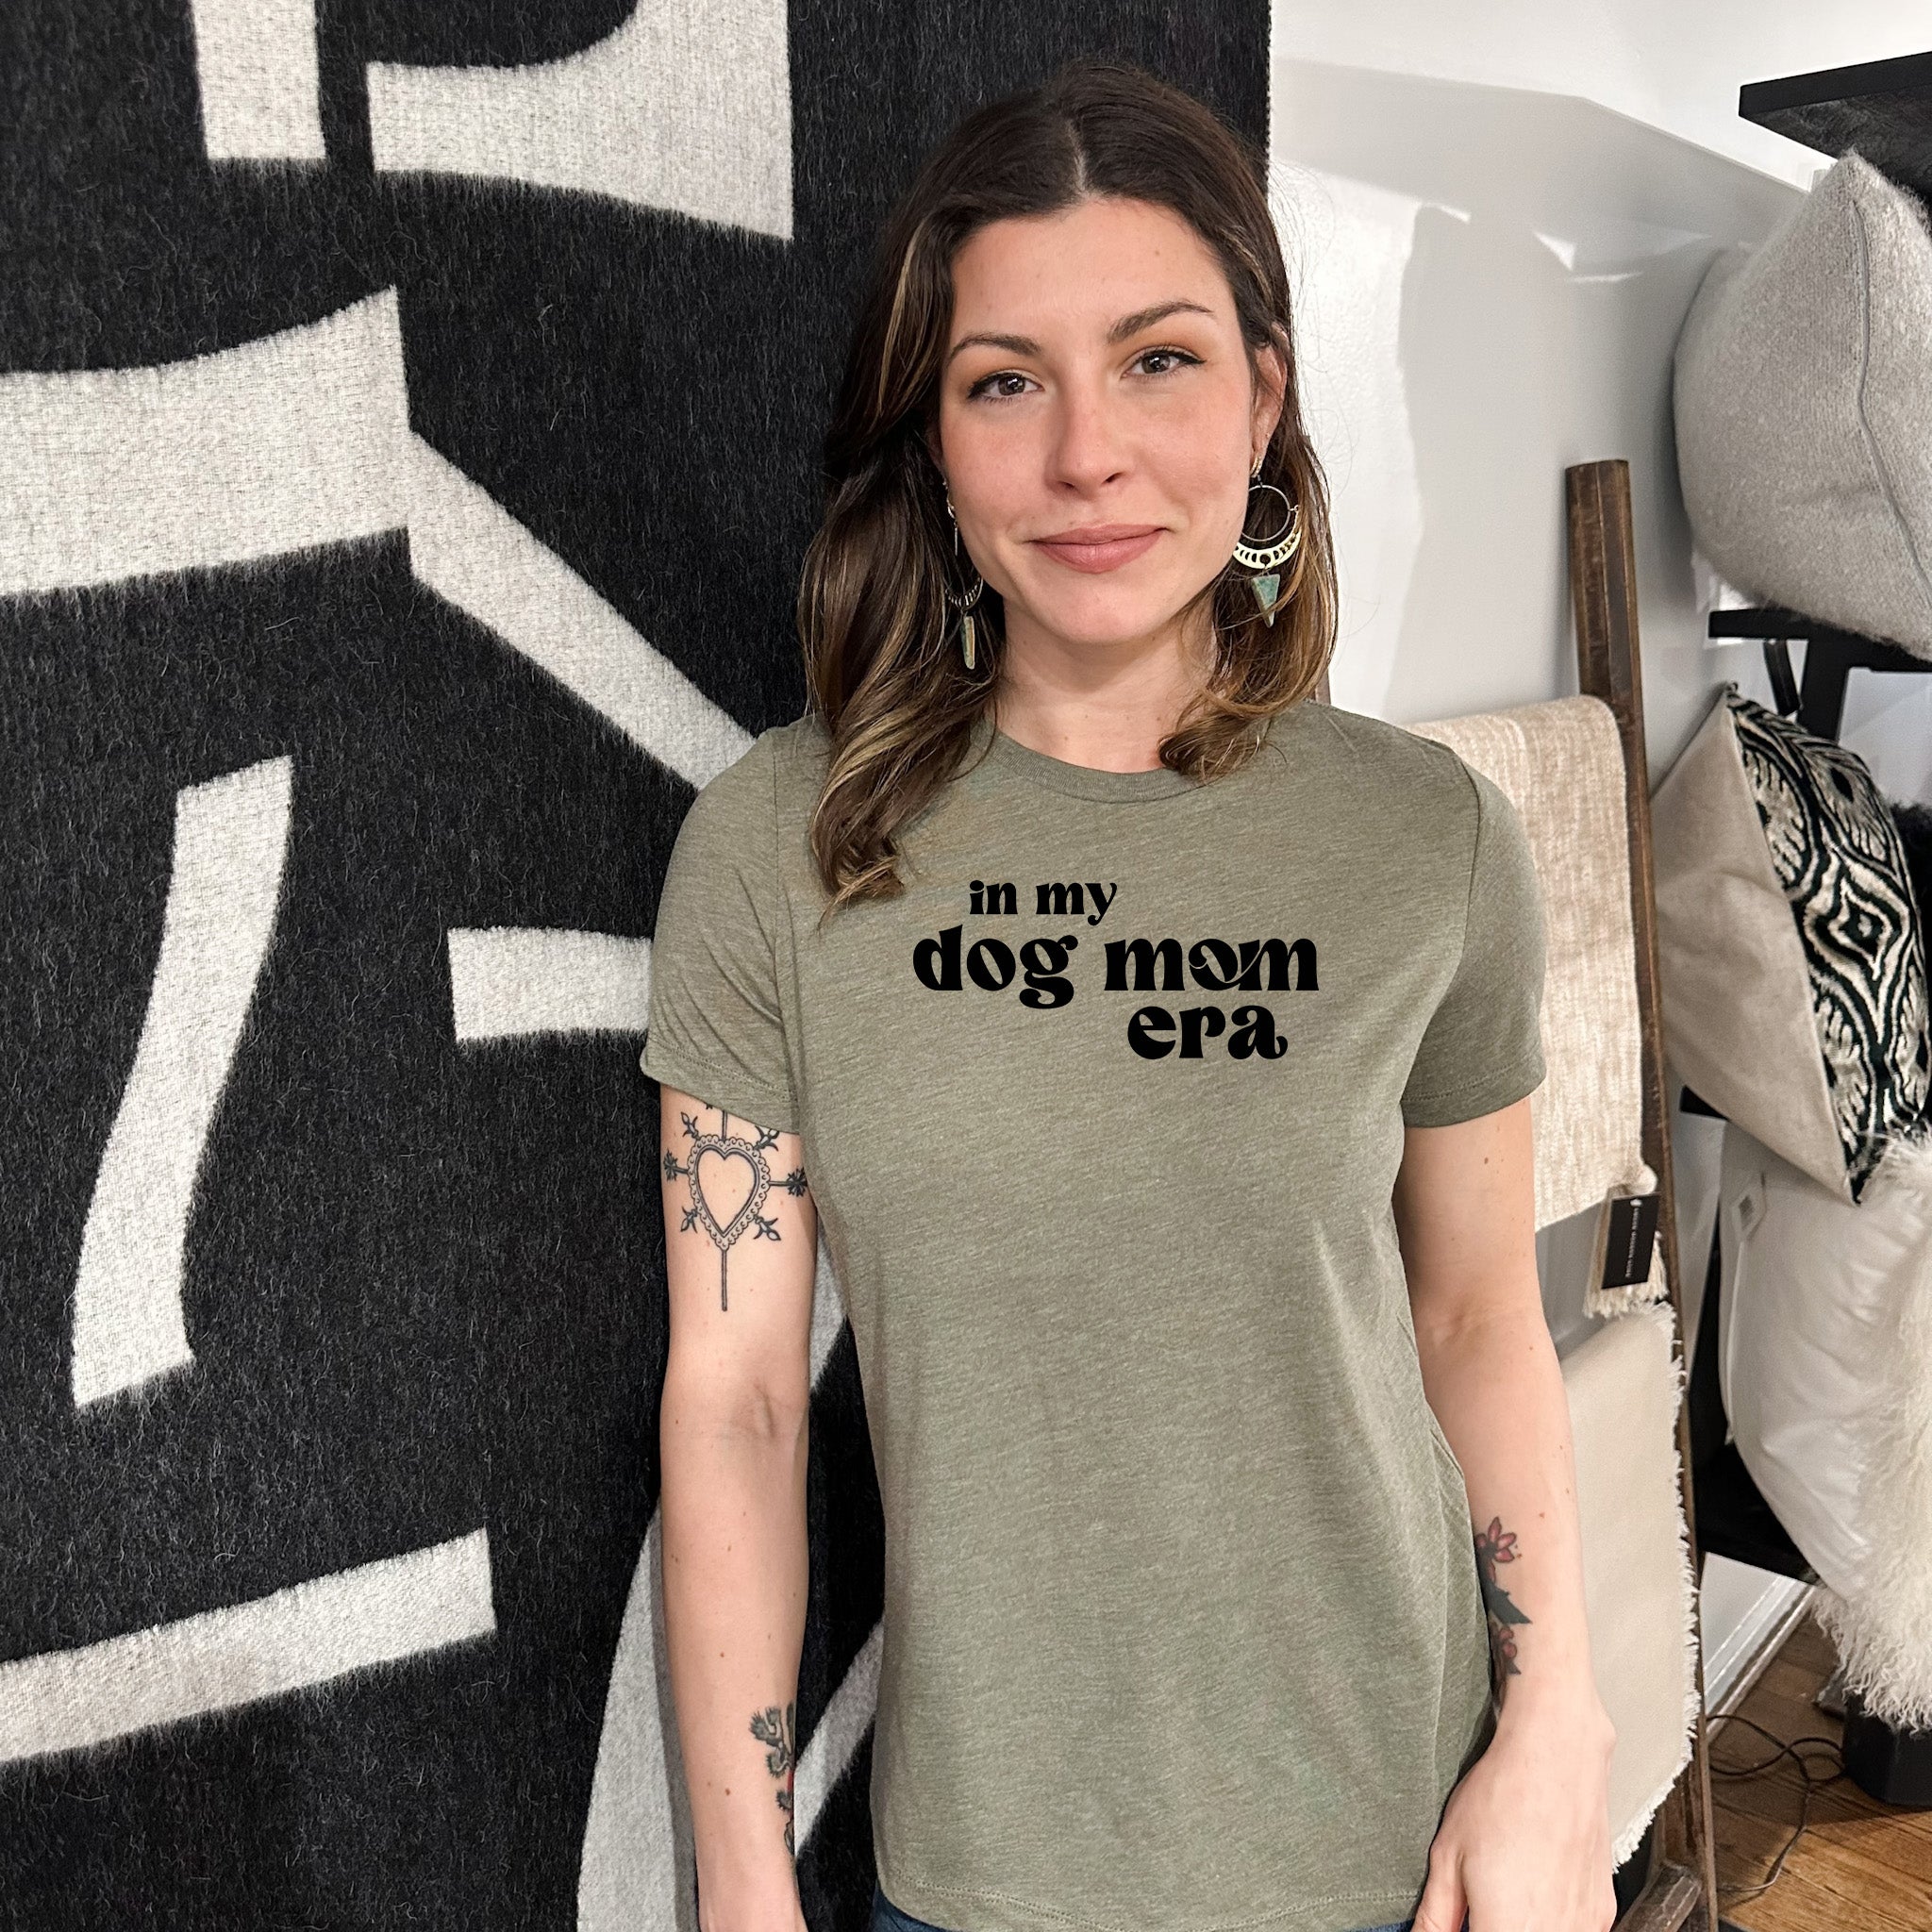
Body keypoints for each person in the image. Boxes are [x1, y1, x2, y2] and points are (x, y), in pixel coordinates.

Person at [642, 56, 1617, 1932]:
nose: (1086, 453)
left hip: (1394, 1846)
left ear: (1263, 396)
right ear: (935, 445)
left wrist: (1553, 1726)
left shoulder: (1427, 839)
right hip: (983, 1870)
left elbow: (1476, 1311)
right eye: (1005, 381)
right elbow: (738, 1401)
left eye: (1159, 359)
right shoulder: (780, 847)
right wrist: (741, 1883)